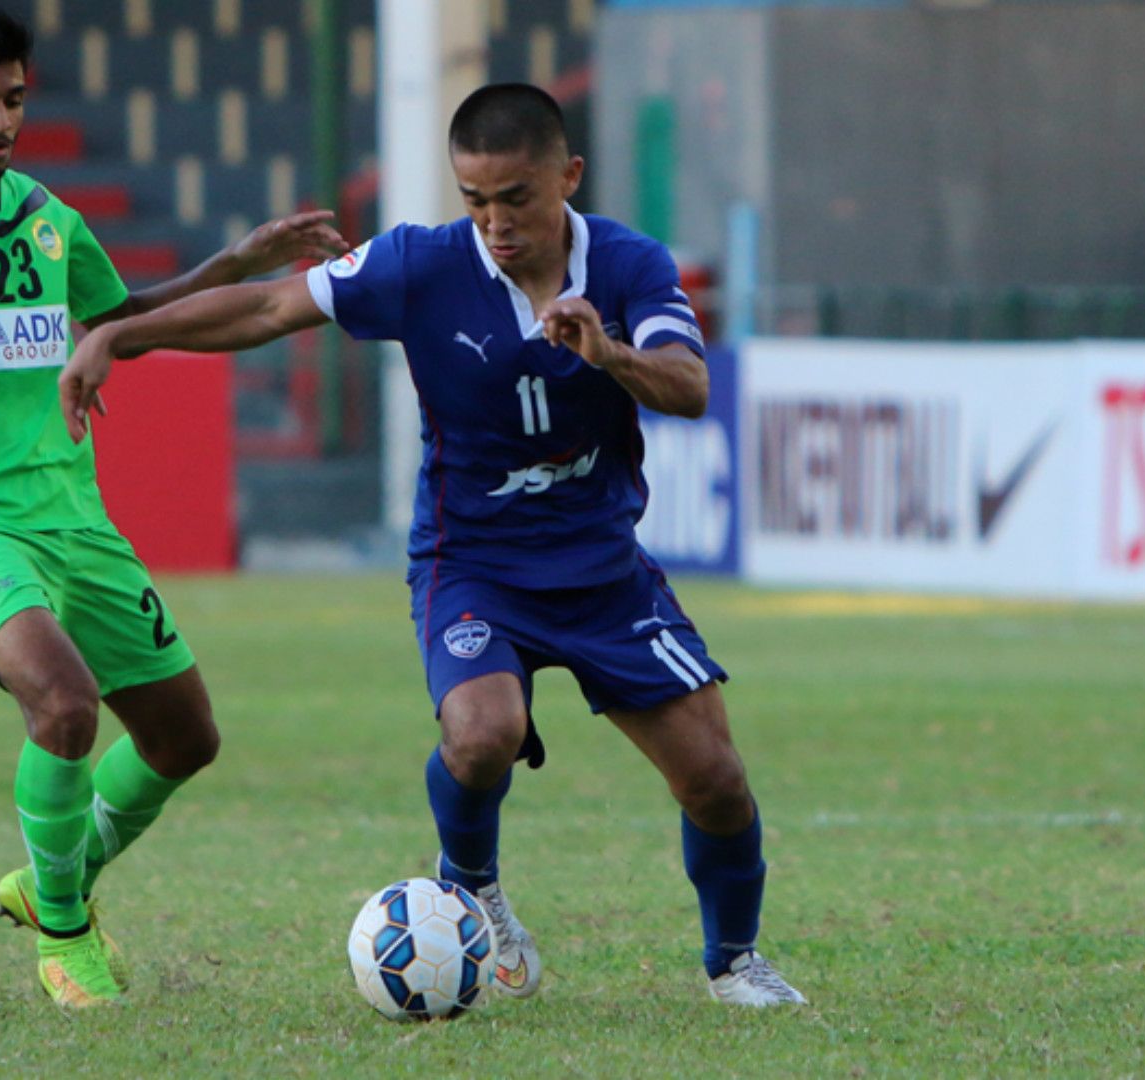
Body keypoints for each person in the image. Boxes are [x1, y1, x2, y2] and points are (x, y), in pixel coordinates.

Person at [61, 83, 808, 1009]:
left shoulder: (629, 265)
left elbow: (690, 386)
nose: (495, 223)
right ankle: (473, 886)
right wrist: (122, 336)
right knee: (483, 732)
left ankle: (734, 962)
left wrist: (609, 354)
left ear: (568, 176)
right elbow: (267, 309)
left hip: (604, 571)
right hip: (474, 565)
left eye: (516, 198)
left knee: (716, 779)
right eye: (475, 199)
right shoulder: (418, 263)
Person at [0, 0, 343, 1009]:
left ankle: (50, 878)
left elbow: (125, 319)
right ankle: (65, 933)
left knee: (185, 738)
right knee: (62, 707)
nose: (0, 121)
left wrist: (237, 264)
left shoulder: (46, 213)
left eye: (14, 99)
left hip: (77, 518)